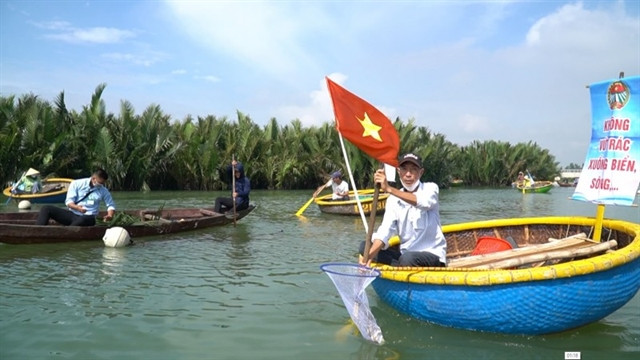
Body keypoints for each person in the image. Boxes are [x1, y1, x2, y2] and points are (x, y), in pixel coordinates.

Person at [359, 153, 447, 267]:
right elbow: (385, 231)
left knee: (407, 259)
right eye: (404, 169)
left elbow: (423, 202)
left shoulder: (430, 188)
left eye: (413, 170)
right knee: (364, 247)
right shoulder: (393, 200)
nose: (408, 174)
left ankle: (401, 267)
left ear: (421, 172)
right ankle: (394, 266)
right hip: (405, 256)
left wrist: (389, 189)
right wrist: (369, 257)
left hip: (432, 254)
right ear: (398, 172)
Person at [36, 168, 116, 226]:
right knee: (46, 208)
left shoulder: (103, 190)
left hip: (89, 217)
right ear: (94, 179)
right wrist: (77, 208)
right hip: (73, 214)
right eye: (99, 183)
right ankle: (38, 230)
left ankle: (67, 233)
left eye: (102, 183)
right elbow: (69, 202)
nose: (101, 185)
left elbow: (110, 205)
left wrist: (110, 215)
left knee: (83, 219)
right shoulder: (76, 184)